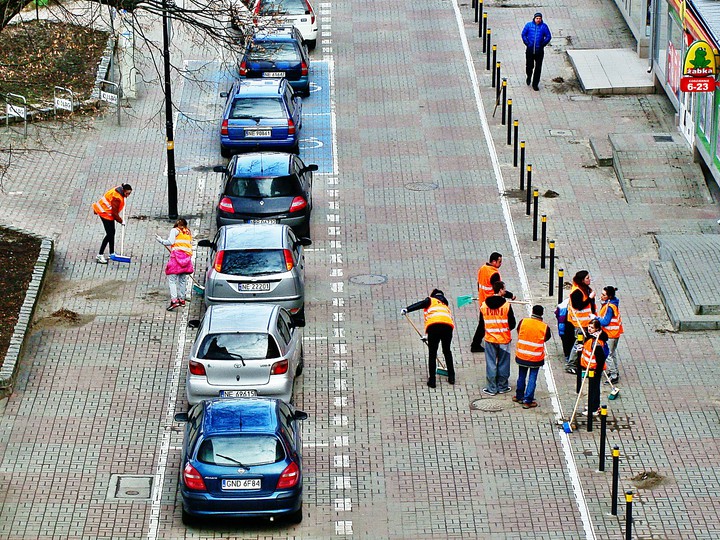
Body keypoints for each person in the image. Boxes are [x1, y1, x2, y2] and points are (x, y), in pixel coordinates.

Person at [402, 289, 456, 388]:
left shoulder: (431, 300)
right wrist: (426, 337)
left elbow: (420, 304)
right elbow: (441, 319)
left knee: (432, 353)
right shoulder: (445, 306)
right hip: (448, 327)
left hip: (434, 327)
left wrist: (407, 309)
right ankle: (451, 377)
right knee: (447, 351)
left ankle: (432, 381)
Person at [477, 281, 516, 395]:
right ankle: (502, 386)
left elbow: (481, 323)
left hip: (490, 339)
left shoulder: (484, 305)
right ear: (500, 290)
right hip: (503, 339)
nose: (505, 291)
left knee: (491, 363)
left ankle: (492, 388)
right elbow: (512, 323)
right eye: (504, 289)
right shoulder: (506, 305)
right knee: (503, 363)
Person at [471, 252, 515, 353]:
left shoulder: (483, 268)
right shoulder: (494, 274)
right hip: (490, 302)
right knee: (483, 324)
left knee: (482, 323)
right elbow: (499, 289)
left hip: (483, 301)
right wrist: (511, 295)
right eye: (499, 262)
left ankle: (476, 343)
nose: (501, 264)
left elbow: (479, 284)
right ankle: (475, 344)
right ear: (494, 261)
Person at [513, 305, 552, 408]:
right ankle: (528, 400)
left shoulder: (523, 322)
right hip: (535, 357)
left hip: (522, 354)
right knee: (532, 377)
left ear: (532, 311)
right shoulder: (544, 327)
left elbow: (518, 331)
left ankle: (519, 396)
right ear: (542, 314)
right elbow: (546, 338)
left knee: (521, 376)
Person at [156, 218, 194, 311]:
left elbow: (170, 242)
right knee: (182, 280)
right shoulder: (188, 232)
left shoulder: (175, 230)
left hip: (176, 259)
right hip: (186, 259)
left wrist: (161, 240)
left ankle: (174, 300)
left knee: (172, 280)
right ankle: (182, 299)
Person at [92, 183, 133, 264]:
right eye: (127, 193)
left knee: (112, 233)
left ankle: (112, 253)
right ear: (123, 191)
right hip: (105, 214)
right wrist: (121, 221)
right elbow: (114, 214)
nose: (128, 195)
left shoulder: (119, 191)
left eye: (129, 193)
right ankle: (100, 255)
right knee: (110, 234)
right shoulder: (116, 198)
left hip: (106, 212)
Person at [565, 270, 596, 376]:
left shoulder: (585, 289)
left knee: (582, 343)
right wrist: (590, 298)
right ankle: (571, 364)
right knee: (578, 344)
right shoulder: (577, 292)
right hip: (580, 323)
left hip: (587, 321)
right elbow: (579, 306)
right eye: (587, 278)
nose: (589, 279)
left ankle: (580, 361)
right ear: (582, 280)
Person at [596, 286, 623, 383]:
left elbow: (605, 321)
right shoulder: (613, 303)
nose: (601, 296)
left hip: (610, 334)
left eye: (604, 295)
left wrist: (596, 318)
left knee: (607, 355)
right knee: (612, 353)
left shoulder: (610, 307)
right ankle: (615, 371)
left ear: (609, 296)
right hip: (615, 333)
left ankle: (613, 375)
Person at [580, 319, 608, 416]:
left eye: (592, 327)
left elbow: (600, 359)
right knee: (593, 387)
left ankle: (594, 408)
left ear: (597, 329)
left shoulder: (596, 343)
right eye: (589, 326)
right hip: (591, 368)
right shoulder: (592, 337)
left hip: (594, 369)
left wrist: (597, 371)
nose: (589, 329)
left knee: (594, 388)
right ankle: (593, 405)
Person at [521, 12, 552, 91]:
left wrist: (543, 44)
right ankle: (529, 76)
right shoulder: (528, 25)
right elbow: (523, 34)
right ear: (534, 18)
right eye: (537, 18)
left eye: (539, 18)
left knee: (538, 68)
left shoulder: (544, 27)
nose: (538, 20)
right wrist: (527, 43)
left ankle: (535, 84)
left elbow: (548, 36)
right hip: (530, 50)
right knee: (529, 66)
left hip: (539, 51)